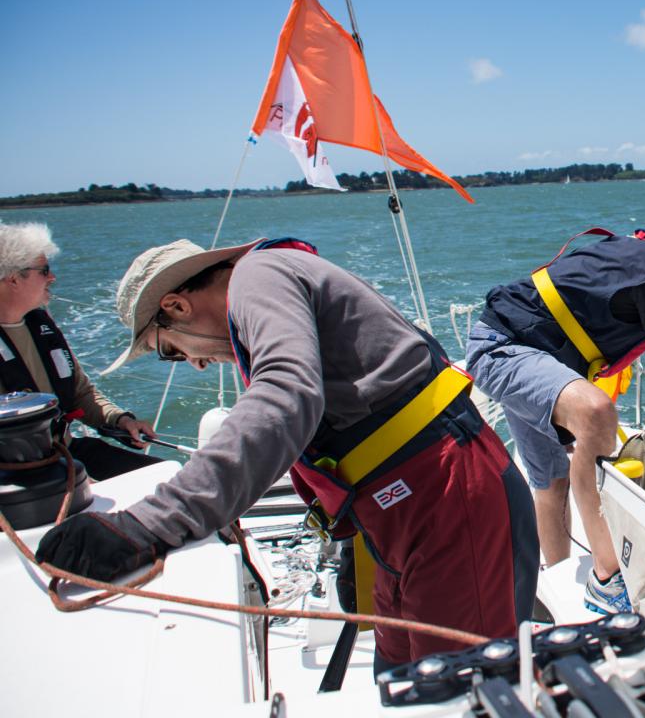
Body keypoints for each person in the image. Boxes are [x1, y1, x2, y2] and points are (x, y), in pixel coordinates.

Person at [36, 236, 537, 670]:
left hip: (446, 494)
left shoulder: (259, 276)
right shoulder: (267, 280)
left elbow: (286, 394)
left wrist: (150, 525)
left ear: (177, 306)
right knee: (402, 676)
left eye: (169, 350)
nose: (193, 364)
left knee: (458, 685)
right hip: (405, 507)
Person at [465, 202, 645, 614]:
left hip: (517, 345)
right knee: (596, 413)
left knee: (553, 479)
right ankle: (607, 579)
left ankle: (559, 579)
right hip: (507, 351)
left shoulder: (641, 253)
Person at [0, 221, 159, 480]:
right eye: (44, 270)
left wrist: (120, 420)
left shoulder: (40, 328)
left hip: (68, 452)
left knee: (170, 479)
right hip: (17, 474)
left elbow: (80, 393)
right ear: (13, 278)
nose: (52, 278)